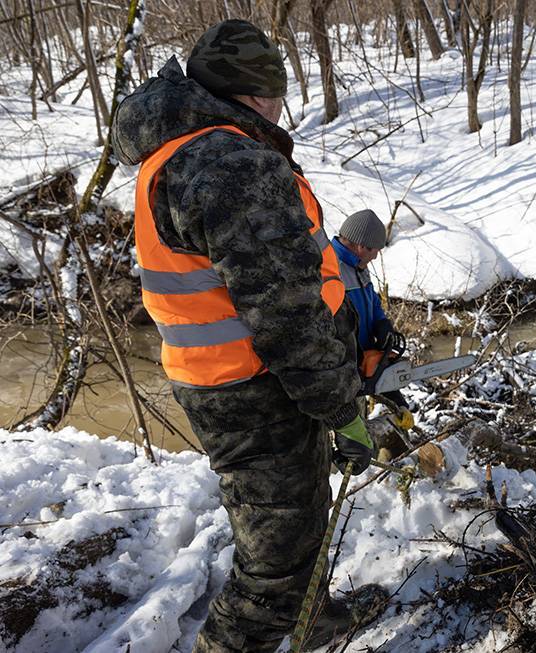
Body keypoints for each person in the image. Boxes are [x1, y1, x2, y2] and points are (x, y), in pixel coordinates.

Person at [113, 19, 385, 653]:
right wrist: (341, 408)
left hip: (234, 380)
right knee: (272, 571)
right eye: (278, 93)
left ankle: (311, 618)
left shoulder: (181, 151)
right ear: (258, 94)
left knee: (297, 521)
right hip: (254, 390)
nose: (281, 107)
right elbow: (286, 315)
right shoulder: (230, 163)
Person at [332, 211, 414, 436]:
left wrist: (381, 323)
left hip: (359, 373)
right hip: (338, 379)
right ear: (361, 246)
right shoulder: (329, 269)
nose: (376, 257)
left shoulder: (358, 267)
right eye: (375, 250)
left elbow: (372, 302)